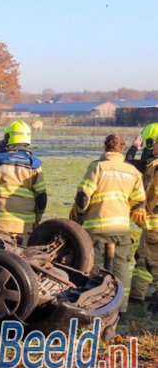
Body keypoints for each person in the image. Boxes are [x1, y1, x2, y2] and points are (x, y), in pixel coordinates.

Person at [72, 134, 147, 322]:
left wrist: (80, 213)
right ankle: (120, 310)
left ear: (105, 147)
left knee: (95, 269)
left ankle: (95, 308)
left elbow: (83, 196)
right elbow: (139, 201)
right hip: (121, 228)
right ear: (121, 149)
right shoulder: (132, 172)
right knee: (122, 268)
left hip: (96, 227)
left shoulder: (97, 167)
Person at [0, 120, 47, 245]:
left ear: (7, 137)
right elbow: (41, 197)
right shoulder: (34, 164)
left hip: (0, 223)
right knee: (21, 260)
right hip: (24, 224)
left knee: (0, 259)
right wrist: (37, 218)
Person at [125, 123, 158, 306]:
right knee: (143, 259)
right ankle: (138, 297)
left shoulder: (152, 165)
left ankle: (139, 299)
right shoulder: (151, 163)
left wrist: (133, 147)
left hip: (153, 224)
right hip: (150, 225)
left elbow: (129, 161)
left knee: (148, 261)